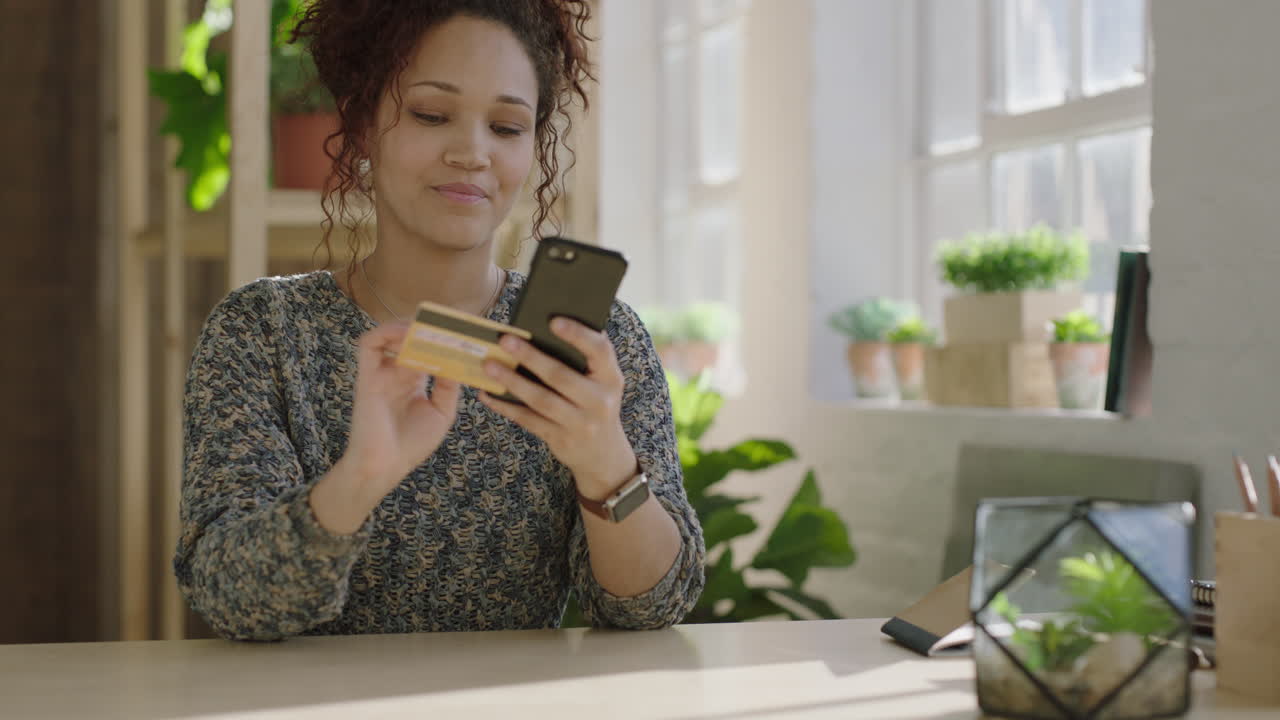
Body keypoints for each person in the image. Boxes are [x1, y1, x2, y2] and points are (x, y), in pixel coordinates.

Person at [175, 0, 705, 641]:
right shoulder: (261, 331)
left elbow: (651, 608)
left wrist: (606, 466)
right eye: (431, 115)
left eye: (506, 127)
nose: (472, 153)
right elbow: (230, 600)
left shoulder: (598, 343)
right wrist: (360, 478)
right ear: (362, 125)